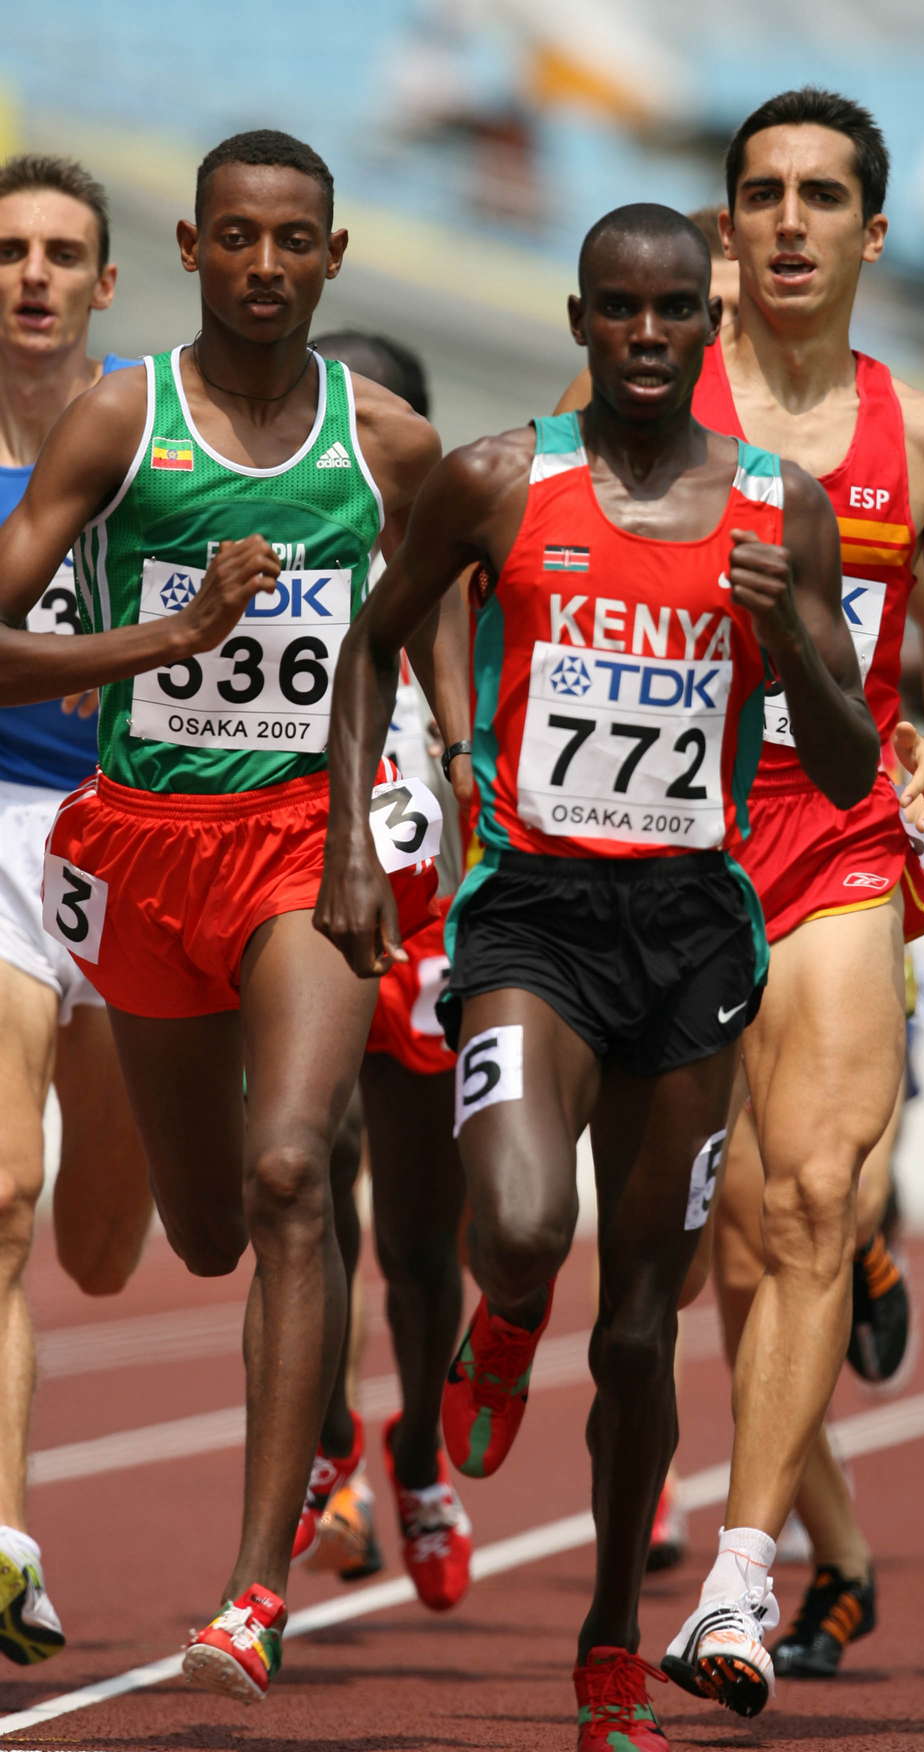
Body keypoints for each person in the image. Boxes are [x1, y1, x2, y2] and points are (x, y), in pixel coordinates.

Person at [315, 202, 879, 1752]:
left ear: (709, 326)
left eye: (671, 310)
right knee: (515, 1228)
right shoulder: (499, 480)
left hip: (692, 936)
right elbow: (372, 643)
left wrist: (793, 645)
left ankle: (609, 1645)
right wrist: (352, 842)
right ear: (578, 322)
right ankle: (505, 1320)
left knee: (638, 1331)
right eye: (616, 309)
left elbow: (844, 768)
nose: (643, 334)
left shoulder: (779, 509)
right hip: (533, 918)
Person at [559, 88, 924, 1715]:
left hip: (835, 835)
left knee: (818, 1197)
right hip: (657, 845)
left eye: (819, 196)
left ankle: (744, 1579)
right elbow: (520, 548)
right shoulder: (642, 383)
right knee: (714, 1259)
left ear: (871, 233)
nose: (786, 221)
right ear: (722, 223)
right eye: (758, 192)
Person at [0, 129, 445, 1703]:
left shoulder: (385, 441)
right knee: (196, 1235)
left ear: (333, 256)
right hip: (144, 845)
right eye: (237, 237)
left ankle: (252, 1594)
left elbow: (439, 606)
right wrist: (170, 635)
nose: (265, 264)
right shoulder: (125, 420)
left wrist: (436, 780)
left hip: (306, 848)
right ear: (192, 250)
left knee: (292, 1174)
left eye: (293, 239)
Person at [291, 328, 472, 1613]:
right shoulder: (263, 532)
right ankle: (326, 1433)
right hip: (292, 886)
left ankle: (415, 1454)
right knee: (305, 1168)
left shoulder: (465, 556)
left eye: (377, 420)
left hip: (428, 908)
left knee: (419, 1237)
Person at [0, 152, 153, 1668]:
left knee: (108, 1247)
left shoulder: (152, 437)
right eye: (8, 250)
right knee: (1, 1197)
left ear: (105, 282)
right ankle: (5, 1545)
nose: (32, 276)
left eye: (61, 254)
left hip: (130, 839)